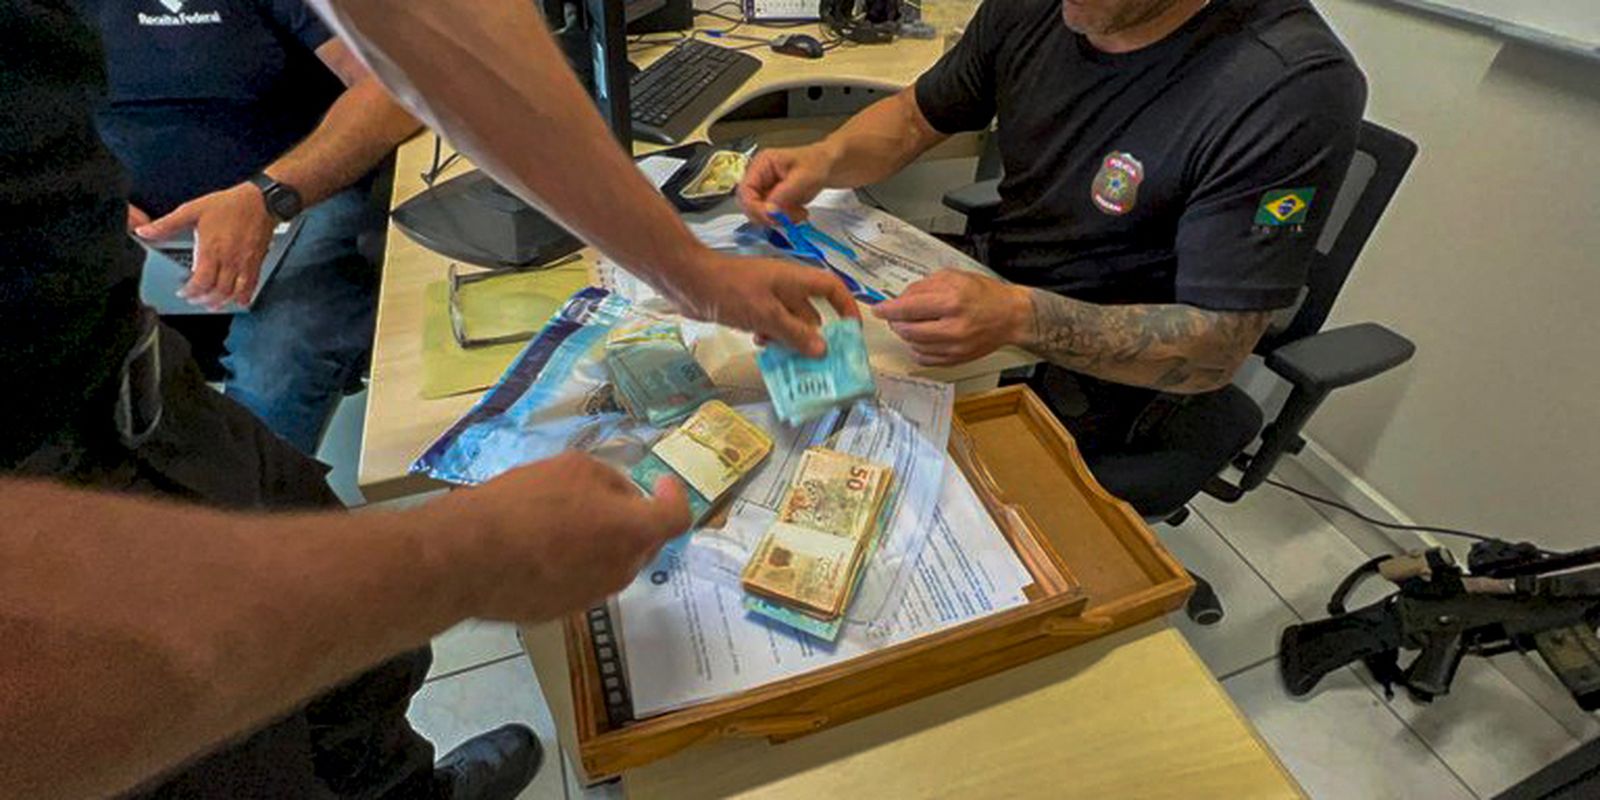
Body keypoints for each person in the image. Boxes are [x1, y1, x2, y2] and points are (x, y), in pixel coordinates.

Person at [1, 0, 852, 798]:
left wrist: (690, 273)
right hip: (49, 485)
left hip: (137, 381)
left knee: (360, 669)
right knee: (244, 749)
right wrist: (458, 556)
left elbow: (434, 26)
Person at [738, 0, 1366, 498]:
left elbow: (1217, 349)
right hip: (997, 282)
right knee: (768, 373)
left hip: (1114, 373)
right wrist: (825, 158)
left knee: (846, 480)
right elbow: (914, 118)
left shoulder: (1290, 86)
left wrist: (1020, 317)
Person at [79, 0, 424, 455]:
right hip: (127, 226)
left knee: (272, 371)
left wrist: (268, 195)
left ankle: (250, 495)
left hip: (295, 201)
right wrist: (81, 187)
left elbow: (396, 89)